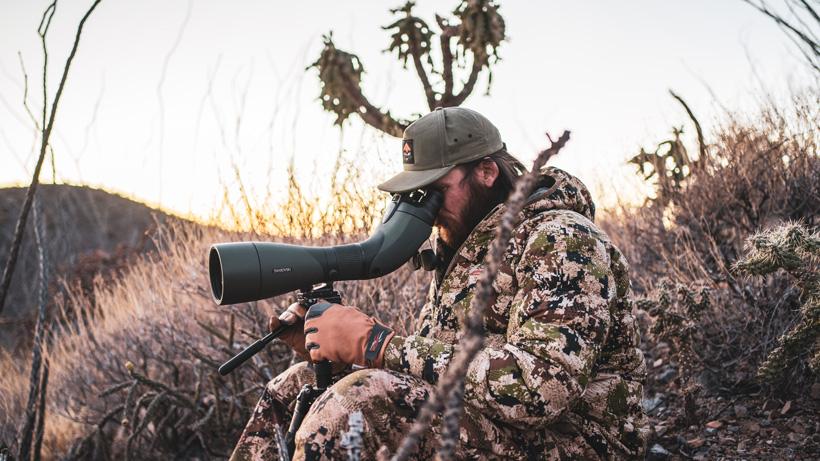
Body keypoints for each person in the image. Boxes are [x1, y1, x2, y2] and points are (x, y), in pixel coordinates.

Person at [230, 107, 648, 460]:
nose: (426, 210)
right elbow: (434, 371)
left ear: (486, 172)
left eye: (435, 191)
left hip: (575, 441)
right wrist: (339, 352)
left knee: (362, 400)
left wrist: (378, 345)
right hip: (495, 424)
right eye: (415, 193)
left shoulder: (561, 239)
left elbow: (539, 392)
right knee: (295, 386)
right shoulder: (465, 245)